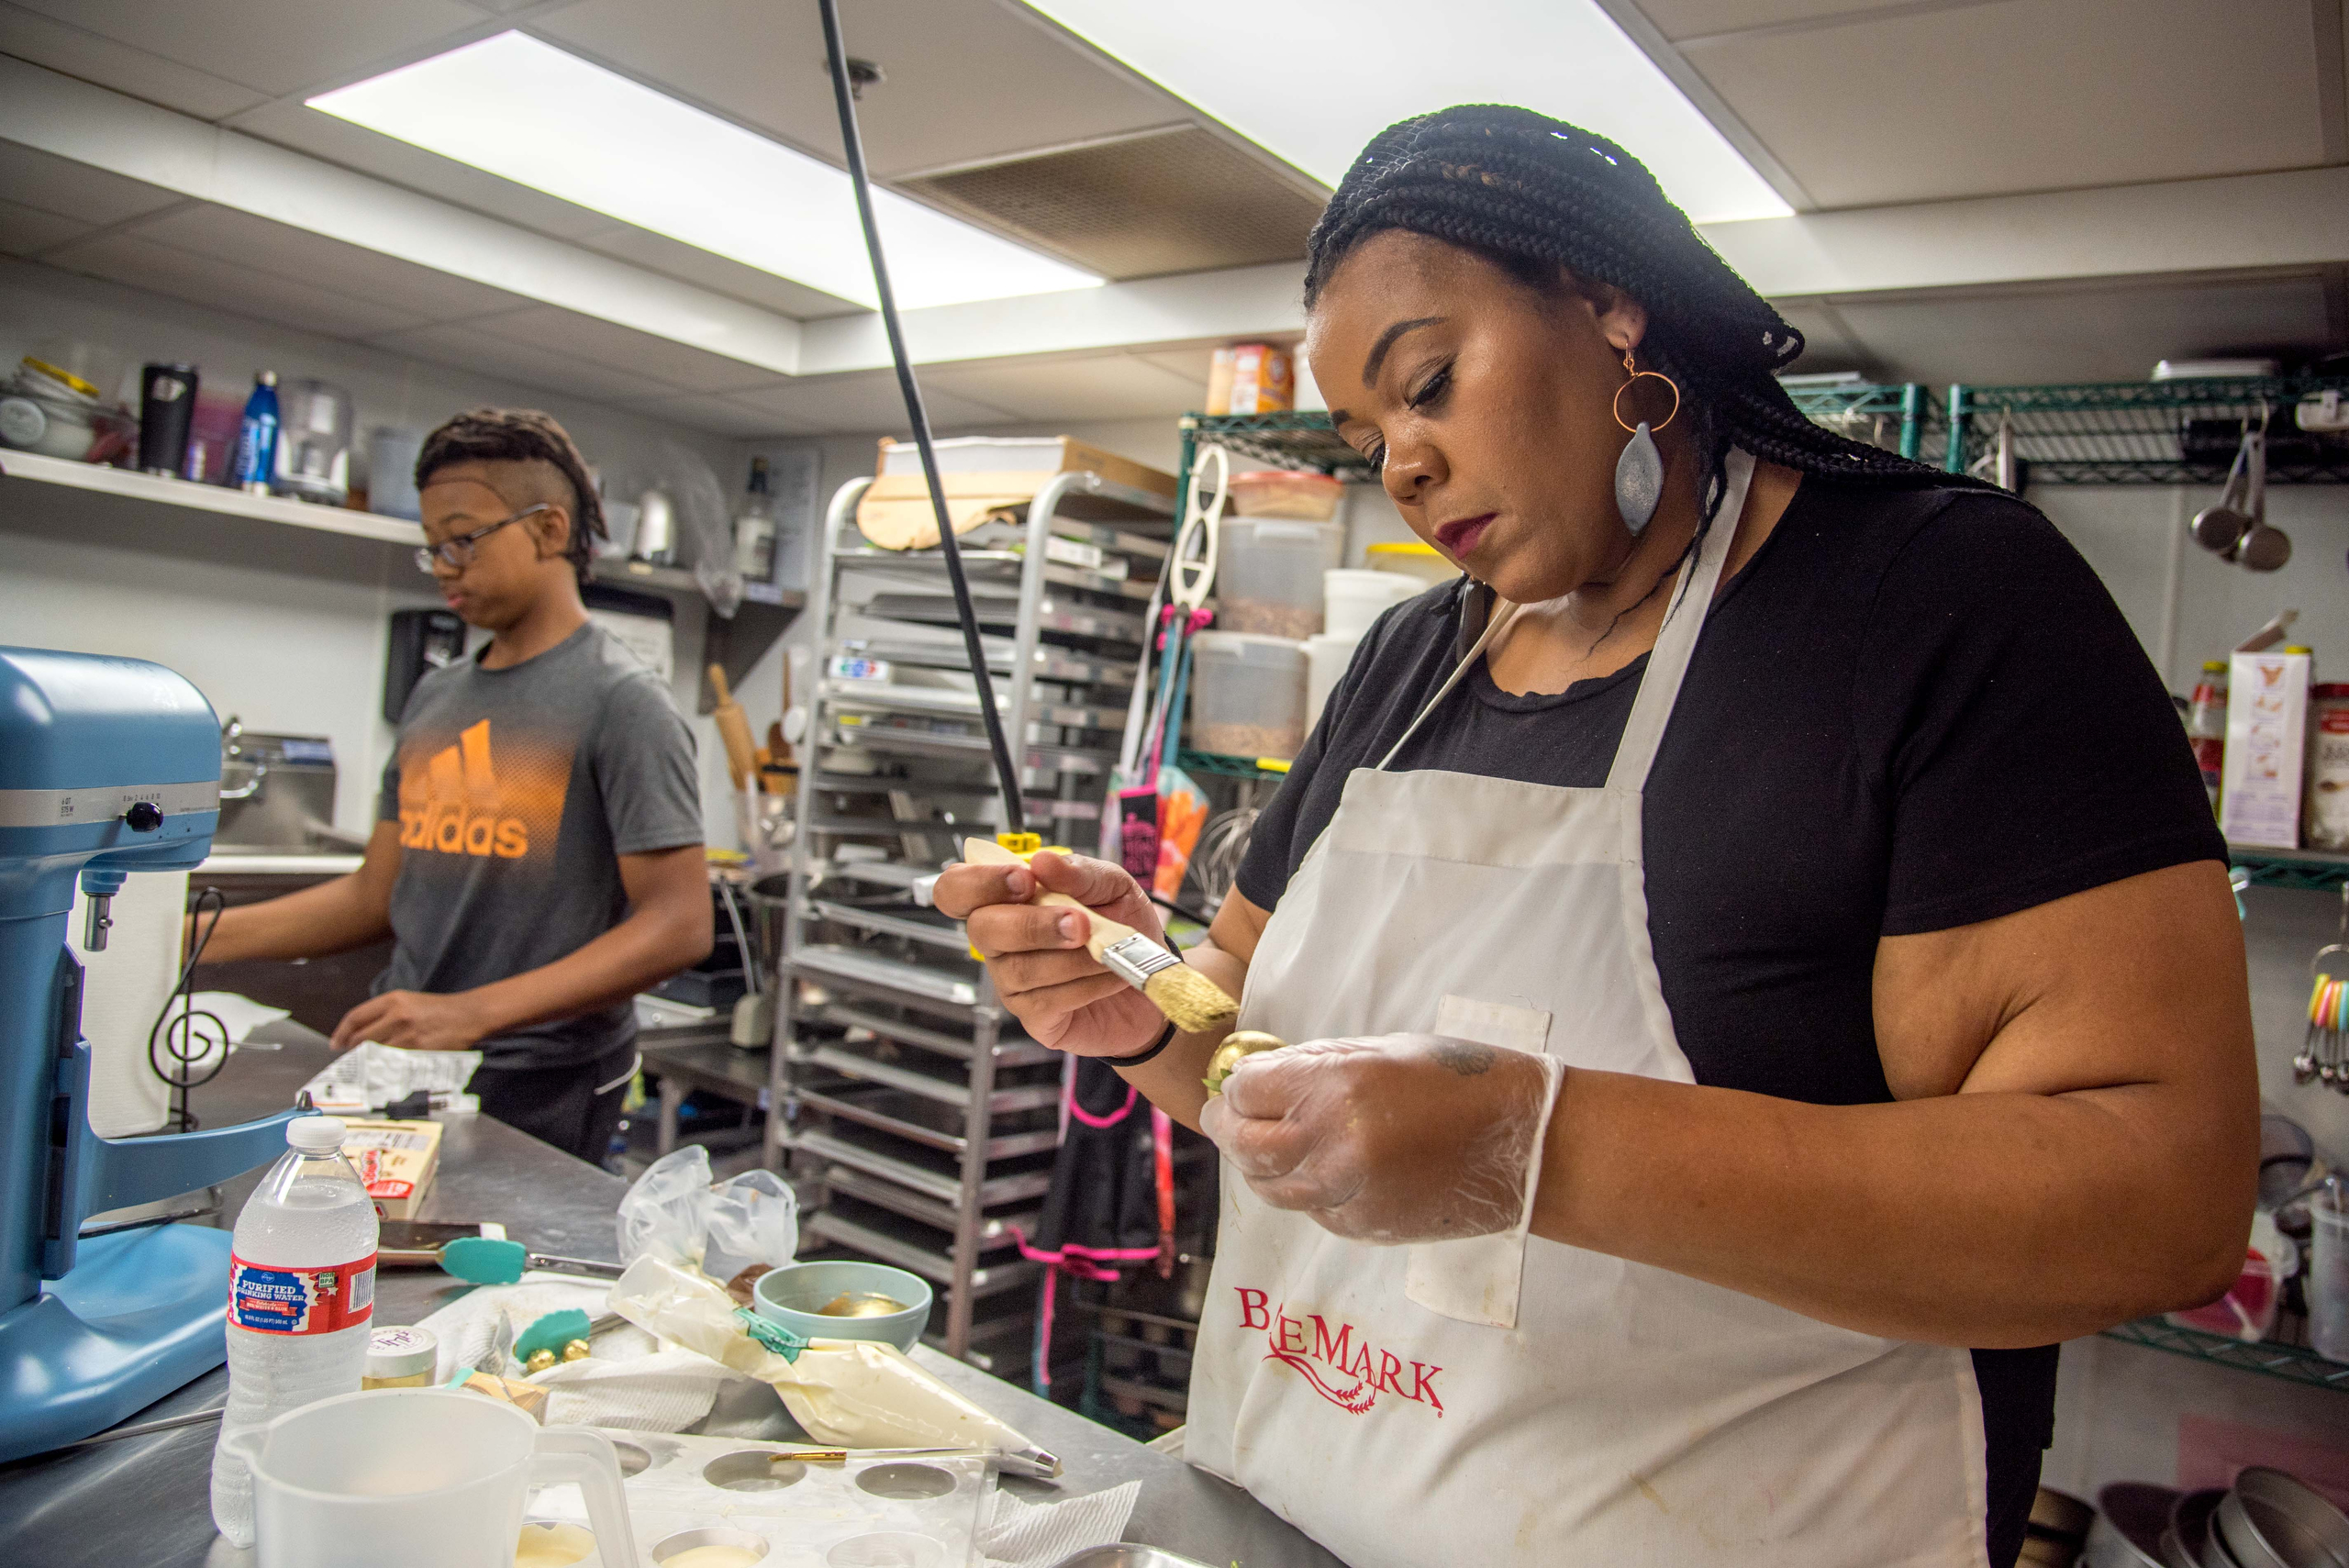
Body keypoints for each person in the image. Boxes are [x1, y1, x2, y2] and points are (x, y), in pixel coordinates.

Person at [936, 107, 2256, 1568]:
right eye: (1373, 439)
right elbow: (1249, 1061)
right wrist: (1140, 1008)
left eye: (1429, 384)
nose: (1407, 467)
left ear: (1608, 301)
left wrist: (1532, 1142)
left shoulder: (1932, 602)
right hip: (1309, 1511)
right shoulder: (1409, 664)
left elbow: (2161, 1196)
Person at [195, 408, 712, 1163]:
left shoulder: (622, 702)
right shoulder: (437, 699)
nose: (444, 562)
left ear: (548, 529)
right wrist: (178, 940)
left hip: (543, 1081)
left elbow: (678, 922)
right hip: (410, 1064)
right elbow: (373, 894)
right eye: (433, 544)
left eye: (464, 538)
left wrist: (468, 1013)